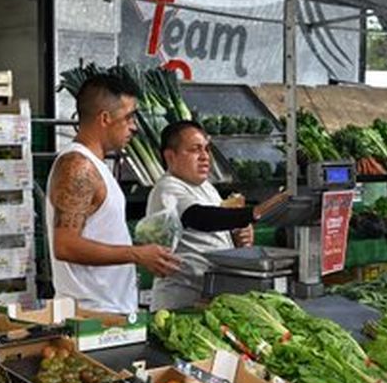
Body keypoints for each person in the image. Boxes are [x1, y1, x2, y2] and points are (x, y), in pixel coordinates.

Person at [47, 73, 179, 314]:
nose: (134, 127)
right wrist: (136, 254)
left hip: (109, 311)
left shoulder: (94, 165)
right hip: (91, 314)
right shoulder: (79, 166)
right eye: (129, 117)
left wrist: (142, 251)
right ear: (105, 118)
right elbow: (65, 245)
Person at [146, 121, 289, 310]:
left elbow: (215, 230)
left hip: (210, 297)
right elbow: (199, 217)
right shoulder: (167, 188)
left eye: (206, 149)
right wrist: (254, 212)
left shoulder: (207, 188)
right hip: (180, 301)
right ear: (170, 156)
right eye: (195, 150)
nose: (205, 157)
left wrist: (237, 237)